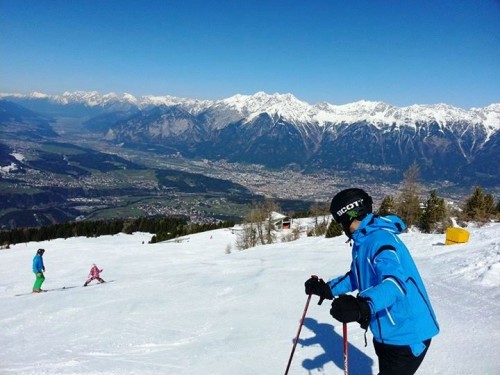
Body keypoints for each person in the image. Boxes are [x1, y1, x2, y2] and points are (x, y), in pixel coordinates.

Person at [305, 188, 439, 375]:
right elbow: (356, 276)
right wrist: (327, 289)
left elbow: (395, 284)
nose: (341, 227)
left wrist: (362, 306)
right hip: (387, 331)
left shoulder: (380, 239)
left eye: (340, 221)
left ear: (348, 216)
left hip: (407, 335)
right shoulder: (364, 241)